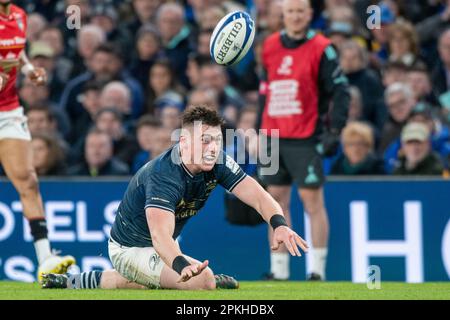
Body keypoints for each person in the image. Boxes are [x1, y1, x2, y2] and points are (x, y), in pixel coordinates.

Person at [41, 106, 308, 290]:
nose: (213, 148)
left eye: (217, 140)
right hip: (129, 250)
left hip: (163, 246)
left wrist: (279, 223)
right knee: (202, 282)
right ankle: (200, 277)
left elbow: (260, 196)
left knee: (161, 279)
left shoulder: (217, 161)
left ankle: (73, 281)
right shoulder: (164, 175)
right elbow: (159, 238)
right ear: (183, 142)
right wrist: (181, 266)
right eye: (205, 140)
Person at [258, 0, 349, 281]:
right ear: (282, 15)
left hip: (305, 135)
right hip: (272, 134)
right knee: (275, 202)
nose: (295, 17)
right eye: (290, 12)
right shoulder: (270, 45)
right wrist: (256, 129)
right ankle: (279, 270)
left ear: (310, 15)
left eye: (300, 11)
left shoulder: (322, 47)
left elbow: (341, 91)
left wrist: (335, 130)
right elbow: (265, 91)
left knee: (312, 201)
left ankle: (317, 270)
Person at [0, 0, 74, 282]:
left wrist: (29, 69)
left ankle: (45, 259)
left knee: (28, 180)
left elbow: (16, 53)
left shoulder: (19, 16)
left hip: (7, 110)